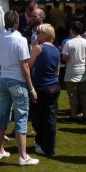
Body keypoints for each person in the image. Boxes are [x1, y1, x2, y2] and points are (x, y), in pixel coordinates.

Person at [0, 10, 39, 166]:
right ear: (17, 22)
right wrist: (31, 87)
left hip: (3, 79)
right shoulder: (20, 39)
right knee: (21, 117)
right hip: (17, 81)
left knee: (2, 115)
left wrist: (1, 71)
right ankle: (23, 156)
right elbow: (25, 65)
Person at [28, 23, 61, 156]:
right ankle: (42, 142)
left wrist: (32, 47)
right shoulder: (56, 49)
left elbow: (29, 64)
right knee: (49, 117)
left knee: (37, 118)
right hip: (54, 86)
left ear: (45, 35)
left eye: (39, 32)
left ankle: (46, 146)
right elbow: (57, 71)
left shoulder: (38, 48)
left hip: (42, 87)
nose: (36, 34)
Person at [61, 20, 86, 123]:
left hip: (71, 72)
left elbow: (64, 58)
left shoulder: (68, 43)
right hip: (83, 70)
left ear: (71, 30)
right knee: (83, 95)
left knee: (73, 95)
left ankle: (73, 116)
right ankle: (85, 116)